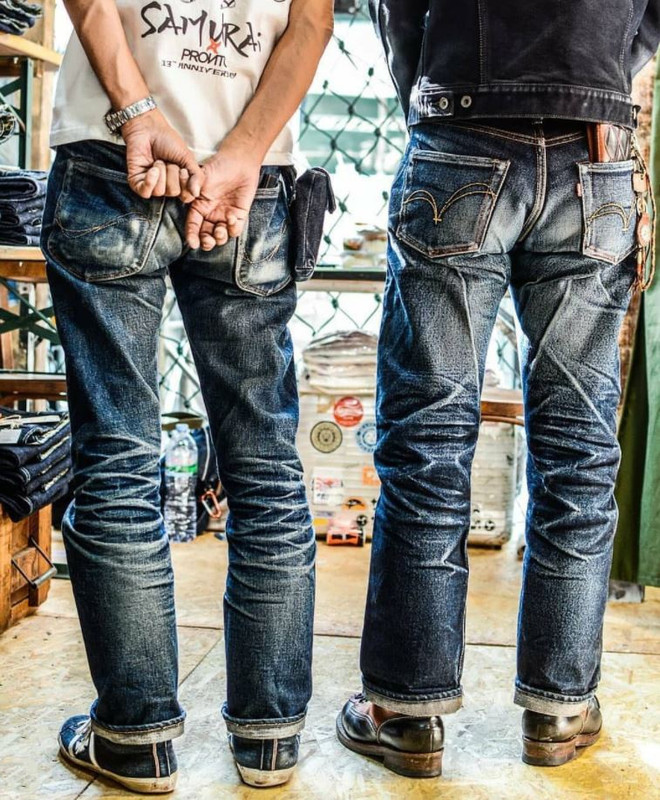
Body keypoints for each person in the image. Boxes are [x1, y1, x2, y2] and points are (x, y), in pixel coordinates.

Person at [337, 0, 660, 779]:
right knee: (579, 451)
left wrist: (433, 94)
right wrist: (603, 72)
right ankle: (560, 708)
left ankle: (405, 713)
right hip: (595, 149)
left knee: (428, 442)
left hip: (462, 125)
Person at [43, 0, 333, 791]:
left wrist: (139, 110)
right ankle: (269, 742)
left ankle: (134, 740)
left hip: (110, 150)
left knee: (118, 458)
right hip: (252, 178)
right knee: (265, 465)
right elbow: (311, 23)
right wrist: (243, 150)